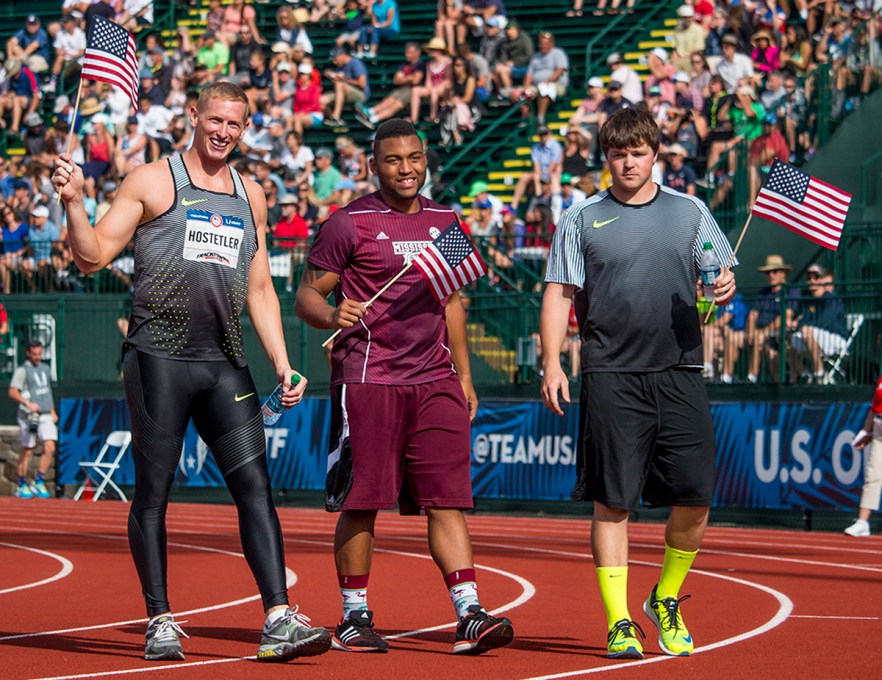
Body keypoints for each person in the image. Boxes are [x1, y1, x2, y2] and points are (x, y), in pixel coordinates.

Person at [51, 81, 331, 663]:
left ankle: (278, 617)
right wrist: (75, 202)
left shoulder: (250, 194)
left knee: (256, 490)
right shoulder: (152, 180)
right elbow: (93, 253)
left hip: (225, 364)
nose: (224, 132)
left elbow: (258, 288)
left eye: (236, 124)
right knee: (153, 494)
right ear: (194, 116)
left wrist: (281, 362)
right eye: (216, 121)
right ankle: (159, 620)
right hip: (159, 360)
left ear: (246, 128)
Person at [294, 119, 514, 656]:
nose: (407, 168)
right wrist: (330, 312)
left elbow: (452, 301)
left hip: (434, 377)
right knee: (363, 500)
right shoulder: (348, 223)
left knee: (448, 501)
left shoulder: (445, 221)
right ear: (375, 165)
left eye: (415, 157)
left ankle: (469, 613)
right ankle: (353, 617)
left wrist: (463, 375)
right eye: (394, 160)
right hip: (368, 377)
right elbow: (305, 296)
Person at [540, 107, 736, 660]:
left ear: (655, 153)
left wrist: (722, 285)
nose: (629, 162)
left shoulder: (691, 210)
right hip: (610, 373)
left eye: (638, 152)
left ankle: (665, 598)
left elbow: (721, 277)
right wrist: (553, 363)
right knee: (614, 503)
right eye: (618, 153)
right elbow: (558, 293)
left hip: (680, 370)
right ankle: (619, 619)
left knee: (695, 498)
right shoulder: (580, 217)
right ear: (607, 158)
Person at [8, 340, 58, 499]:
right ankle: (22, 482)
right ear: (28, 353)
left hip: (45, 414)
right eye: (34, 354)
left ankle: (39, 479)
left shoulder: (45, 368)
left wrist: (52, 410)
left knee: (50, 447)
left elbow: (47, 391)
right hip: (29, 415)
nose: (37, 357)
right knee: (28, 449)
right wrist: (27, 403)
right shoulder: (22, 371)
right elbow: (12, 391)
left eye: (39, 354)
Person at [745, 254, 800, 384]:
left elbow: (785, 317)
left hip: (783, 335)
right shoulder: (762, 293)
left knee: (773, 352)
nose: (771, 275)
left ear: (783, 273)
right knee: (732, 338)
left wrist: (762, 333)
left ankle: (752, 378)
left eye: (774, 272)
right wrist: (751, 331)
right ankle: (723, 377)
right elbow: (752, 315)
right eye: (768, 272)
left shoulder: (791, 291)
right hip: (763, 337)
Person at [791, 264, 848, 383]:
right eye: (809, 278)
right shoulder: (809, 301)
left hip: (835, 340)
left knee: (806, 331)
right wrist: (798, 324)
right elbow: (804, 321)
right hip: (814, 338)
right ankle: (804, 375)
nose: (812, 281)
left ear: (822, 279)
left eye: (816, 277)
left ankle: (819, 372)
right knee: (785, 341)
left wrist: (800, 324)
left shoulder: (831, 299)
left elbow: (824, 323)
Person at [845, 377, 882, 537]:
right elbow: (874, 408)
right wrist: (866, 432)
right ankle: (862, 522)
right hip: (879, 432)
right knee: (872, 475)